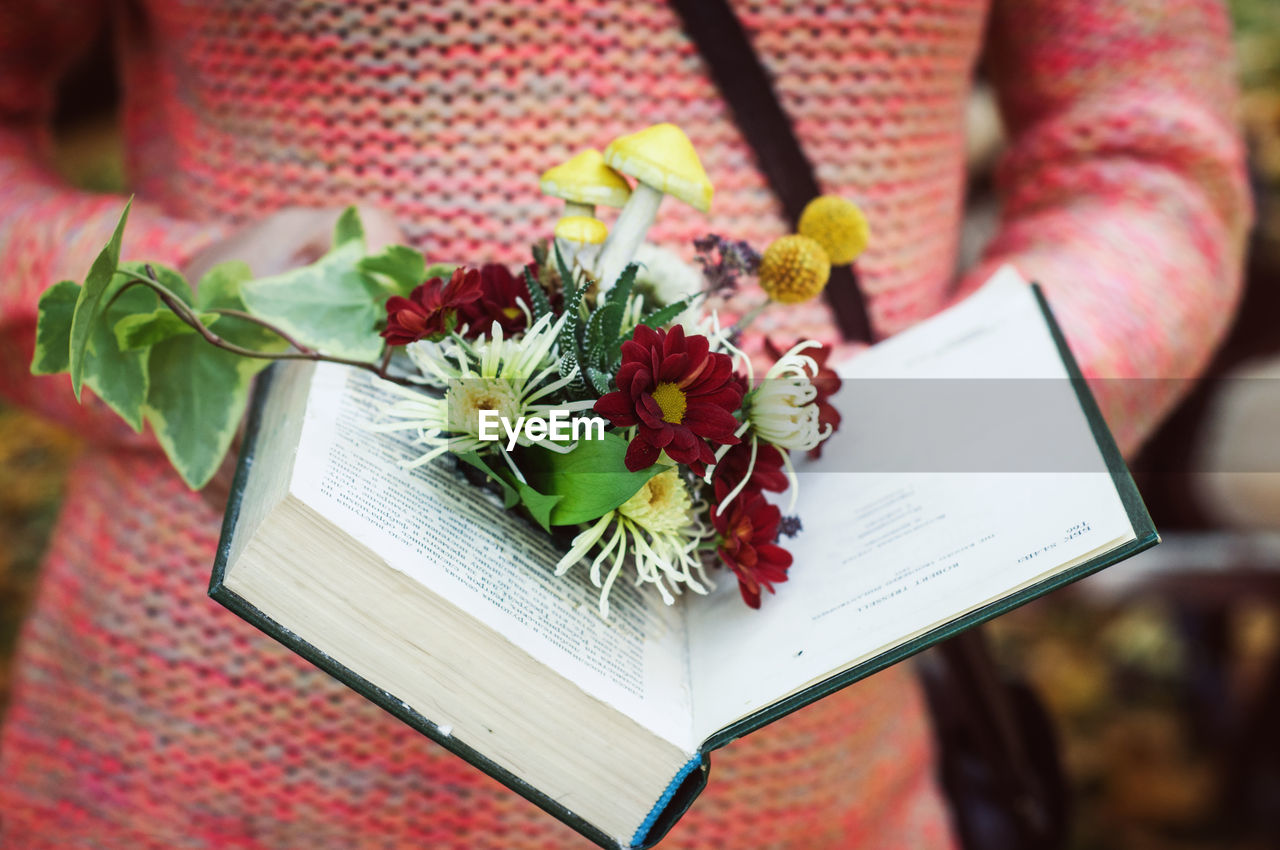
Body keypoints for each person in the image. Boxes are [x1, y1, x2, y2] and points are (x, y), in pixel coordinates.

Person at [0, 1, 1249, 847]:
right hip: (204, 750)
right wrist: (179, 313)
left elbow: (1142, 155)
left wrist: (927, 438)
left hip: (807, 778)